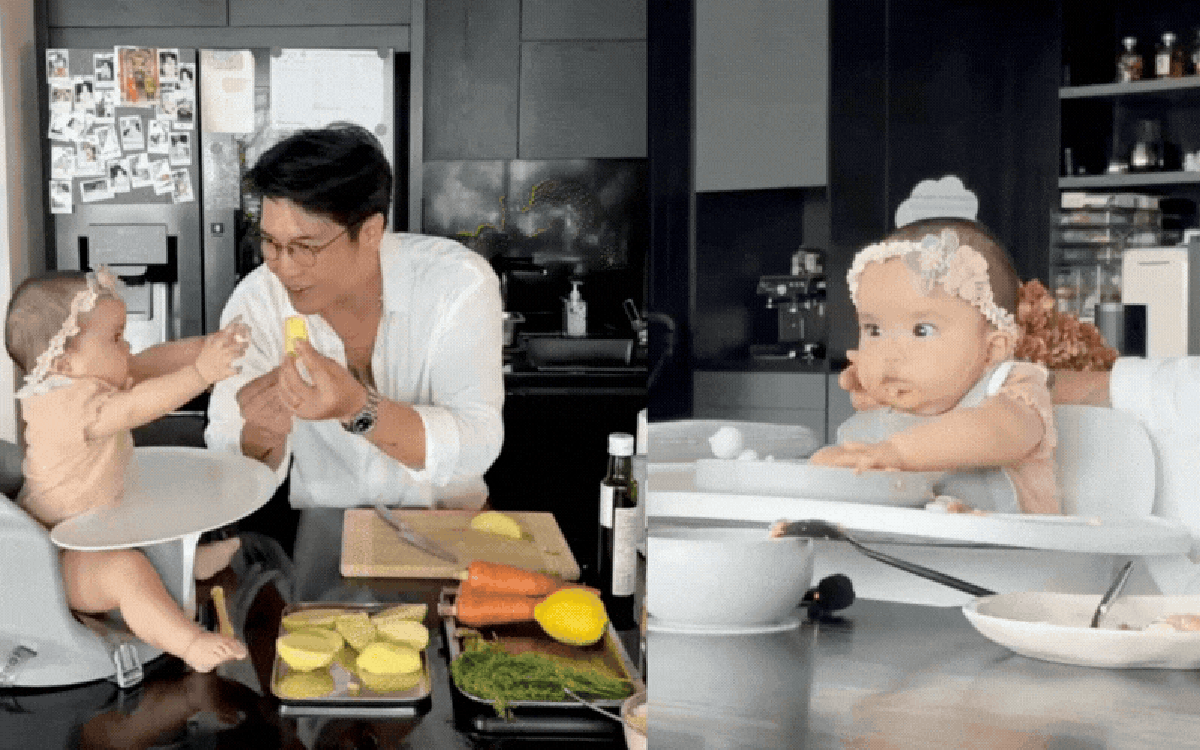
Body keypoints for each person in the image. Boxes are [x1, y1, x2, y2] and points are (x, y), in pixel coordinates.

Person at [204, 123, 504, 599]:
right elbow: (228, 465)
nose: (283, 267)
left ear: (370, 231)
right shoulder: (257, 301)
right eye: (270, 243)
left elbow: (478, 443)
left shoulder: (457, 284)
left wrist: (356, 407)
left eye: (305, 247)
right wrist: (261, 433)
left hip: (449, 524)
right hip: (325, 533)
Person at [5, 269, 253, 672]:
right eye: (116, 338)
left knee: (152, 510)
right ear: (64, 361)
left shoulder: (85, 377)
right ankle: (189, 643)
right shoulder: (62, 407)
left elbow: (147, 363)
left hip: (93, 528)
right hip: (58, 558)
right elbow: (135, 407)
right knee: (126, 572)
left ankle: (187, 563)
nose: (128, 346)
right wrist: (201, 373)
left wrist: (206, 347)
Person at [810, 218, 1058, 515]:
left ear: (992, 350)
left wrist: (899, 453)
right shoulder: (883, 414)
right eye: (874, 330)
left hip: (1005, 543)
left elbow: (995, 431)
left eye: (922, 330)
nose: (889, 353)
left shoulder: (1011, 389)